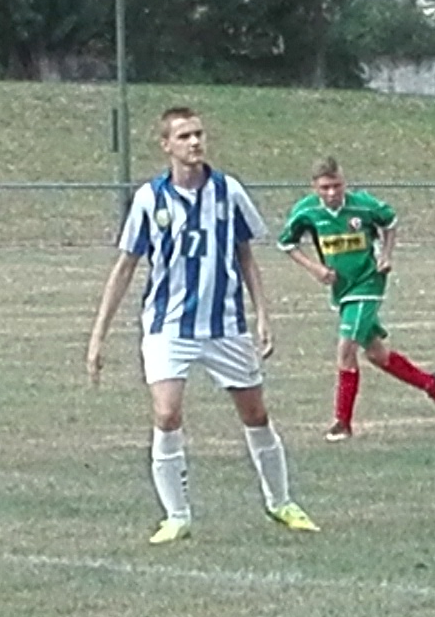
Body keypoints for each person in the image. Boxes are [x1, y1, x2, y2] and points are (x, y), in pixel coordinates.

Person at [88, 104, 312, 542]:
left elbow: (246, 256)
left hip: (224, 324)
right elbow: (125, 266)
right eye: (184, 136)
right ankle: (177, 516)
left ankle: (280, 502)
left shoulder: (229, 191)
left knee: (255, 413)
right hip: (168, 326)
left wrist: (263, 315)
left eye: (198, 134)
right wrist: (98, 336)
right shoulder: (149, 199)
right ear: (166, 145)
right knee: (166, 412)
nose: (194, 142)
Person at [278, 157, 435, 439]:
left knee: (346, 349)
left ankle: (342, 423)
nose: (332, 193)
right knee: (376, 354)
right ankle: (431, 384)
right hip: (342, 289)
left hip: (368, 283)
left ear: (344, 182)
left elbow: (390, 221)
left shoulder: (363, 205)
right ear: (314, 187)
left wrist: (386, 255)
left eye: (336, 186)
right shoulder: (307, 211)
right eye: (325, 188)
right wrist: (315, 269)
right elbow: (286, 243)